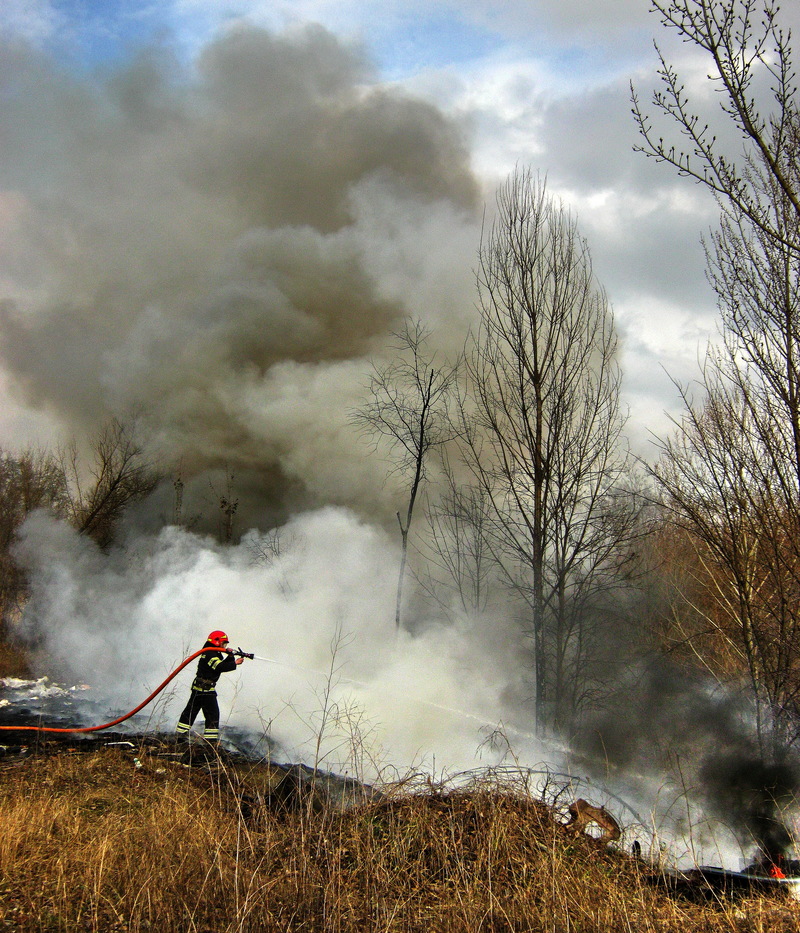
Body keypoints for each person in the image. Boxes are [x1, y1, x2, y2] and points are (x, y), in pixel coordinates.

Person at [176, 631, 247, 744]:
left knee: (190, 712)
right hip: (205, 690)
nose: (224, 646)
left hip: (201, 689)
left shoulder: (212, 652)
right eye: (223, 643)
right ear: (216, 641)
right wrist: (235, 663)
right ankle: (210, 742)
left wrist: (230, 656)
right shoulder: (210, 654)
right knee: (212, 714)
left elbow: (219, 666)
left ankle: (180, 736)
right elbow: (219, 667)